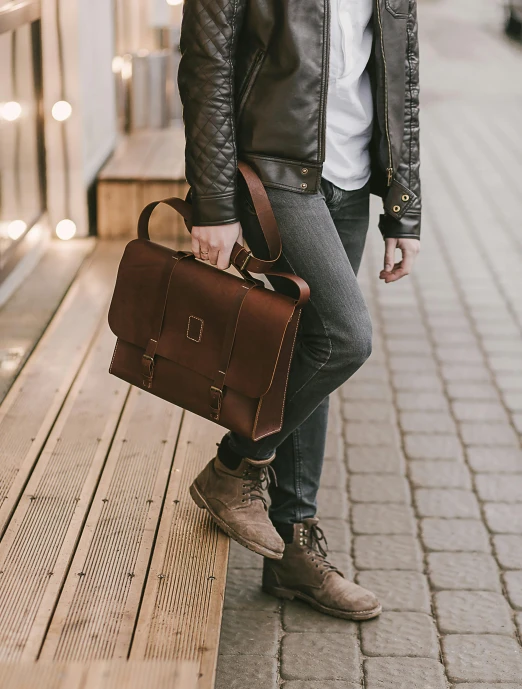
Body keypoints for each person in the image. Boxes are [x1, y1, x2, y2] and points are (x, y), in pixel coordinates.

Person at [179, 0, 421, 621]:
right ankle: (233, 468)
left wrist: (403, 206)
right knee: (344, 340)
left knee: (309, 353)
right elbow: (207, 68)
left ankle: (291, 546)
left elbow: (403, 72)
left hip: (352, 175)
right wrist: (212, 201)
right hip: (275, 174)